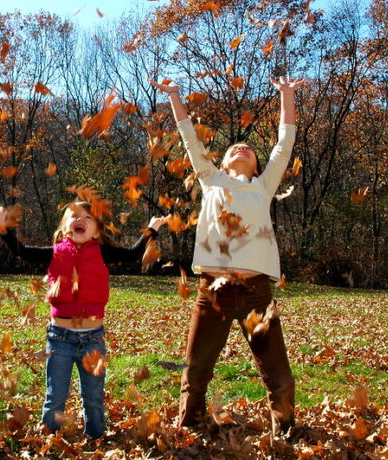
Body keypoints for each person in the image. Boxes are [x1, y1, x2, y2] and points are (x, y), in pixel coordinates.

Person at [150, 76, 305, 437]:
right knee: (196, 370)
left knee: (279, 376)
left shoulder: (264, 186)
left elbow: (285, 142)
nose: (241, 148)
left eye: (248, 148)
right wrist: (175, 95)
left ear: (257, 166)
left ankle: (284, 433)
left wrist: (287, 95)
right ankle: (190, 430)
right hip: (213, 292)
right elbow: (189, 137)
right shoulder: (211, 179)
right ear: (221, 161)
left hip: (256, 294)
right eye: (234, 147)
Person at [0, 196, 166, 439]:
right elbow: (22, 251)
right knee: (55, 396)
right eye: (74, 216)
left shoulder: (102, 252)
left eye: (87, 217)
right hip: (59, 338)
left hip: (93, 340)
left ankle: (96, 437)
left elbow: (134, 253)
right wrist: (1, 226)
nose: (80, 220)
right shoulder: (55, 253)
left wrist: (152, 229)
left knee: (92, 397)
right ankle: (49, 438)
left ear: (97, 231)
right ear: (64, 227)